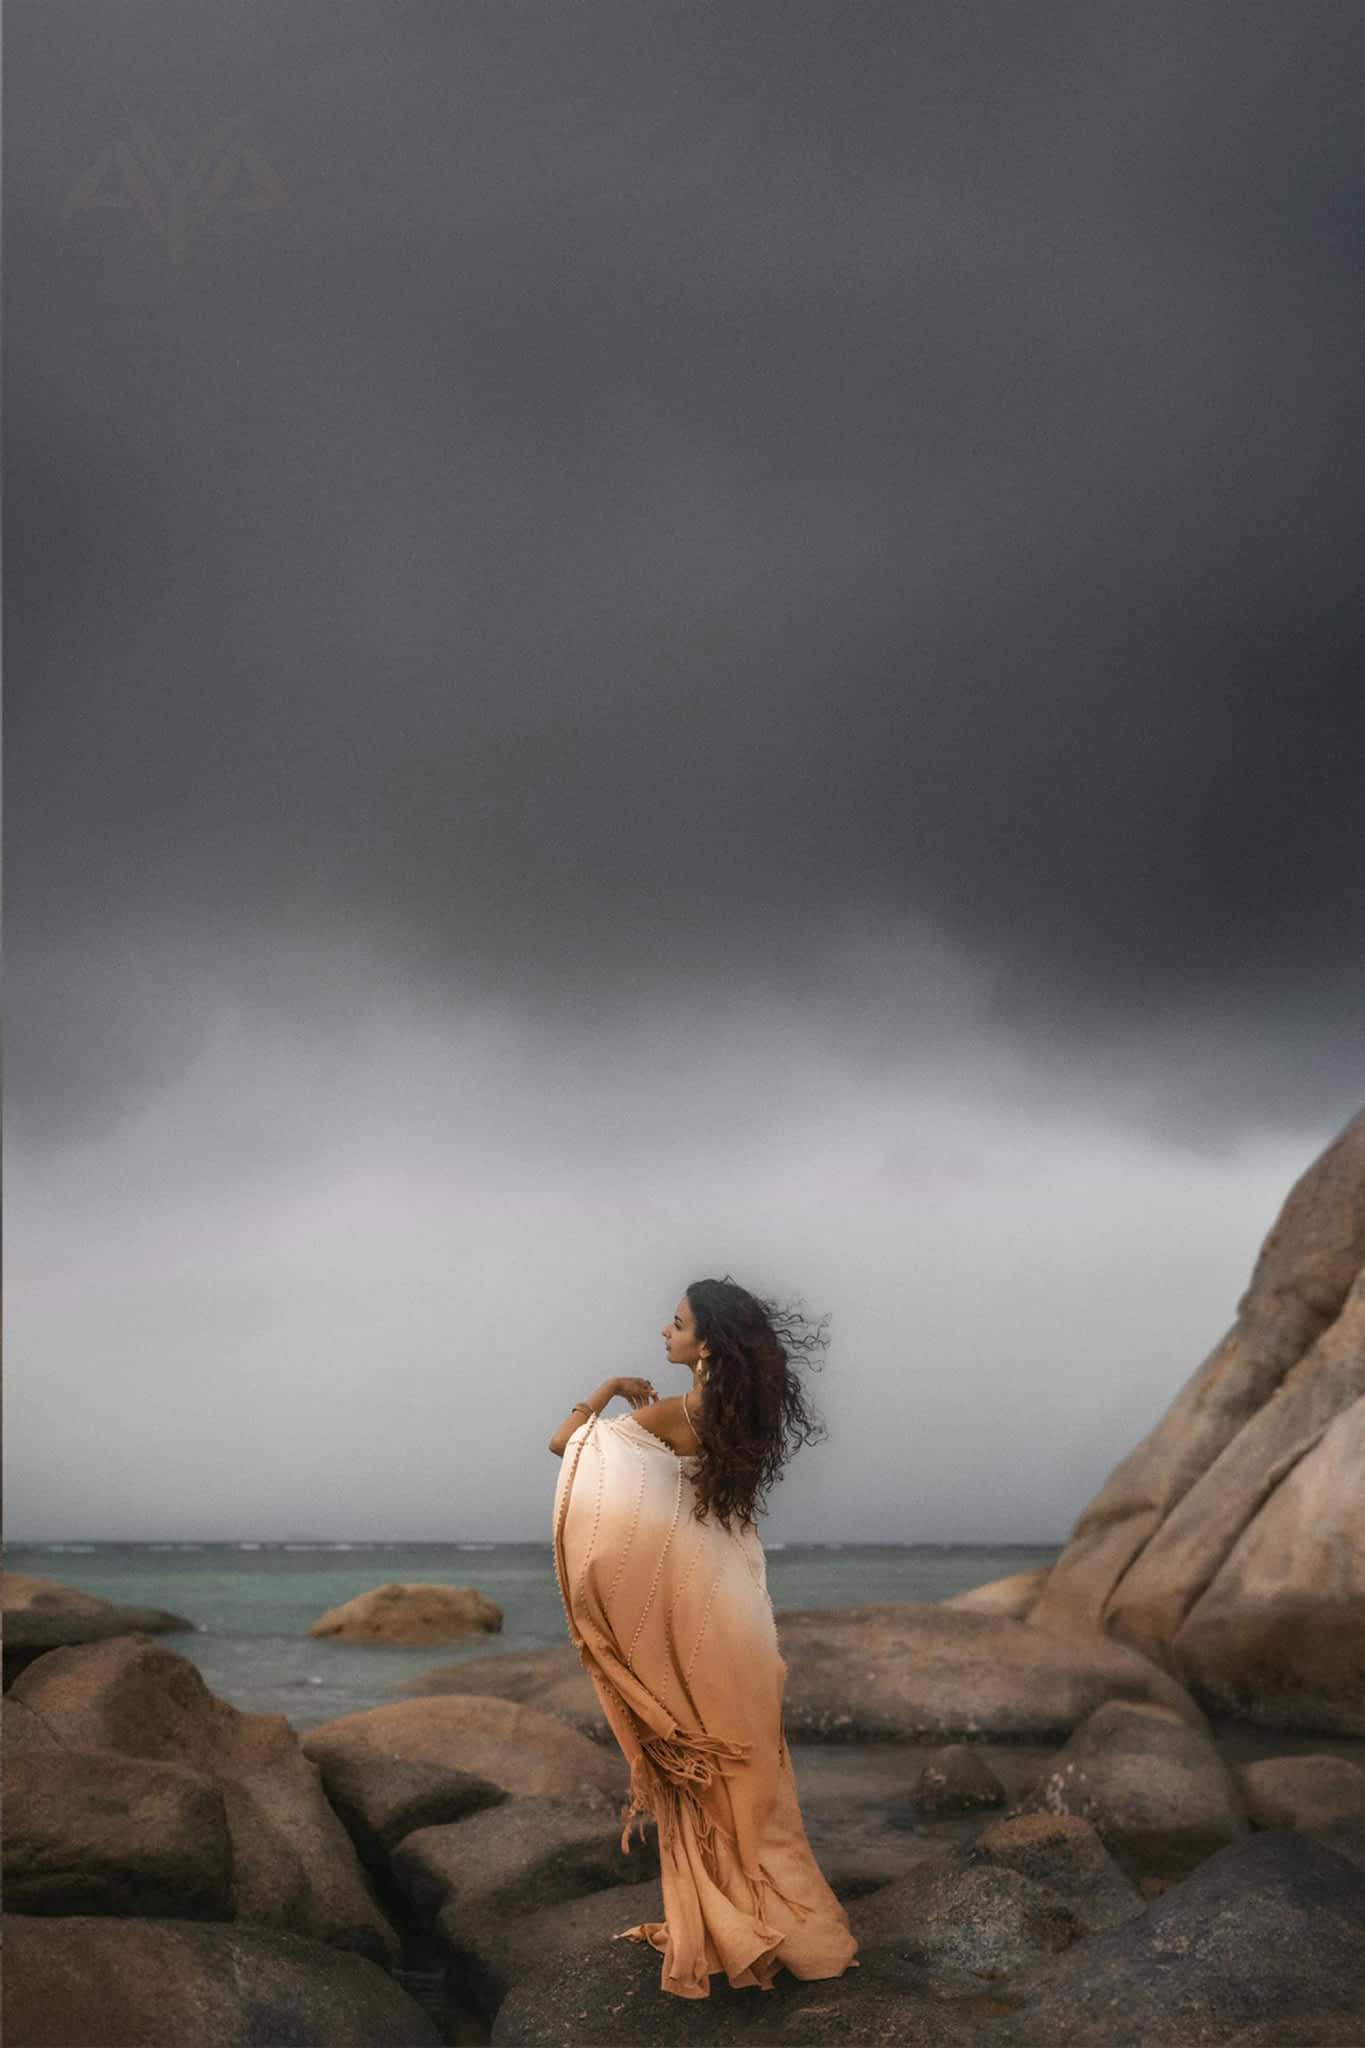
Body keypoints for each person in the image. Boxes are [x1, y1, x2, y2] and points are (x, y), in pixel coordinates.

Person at [549, 1275, 861, 2001]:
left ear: (707, 1343)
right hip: (740, 1619)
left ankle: (734, 1926)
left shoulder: (667, 1415)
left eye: (677, 1321)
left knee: (703, 1770)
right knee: (755, 1775)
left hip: (697, 1623)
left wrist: (601, 1391)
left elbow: (566, 1446)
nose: (664, 1331)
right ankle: (786, 1923)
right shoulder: (741, 1420)